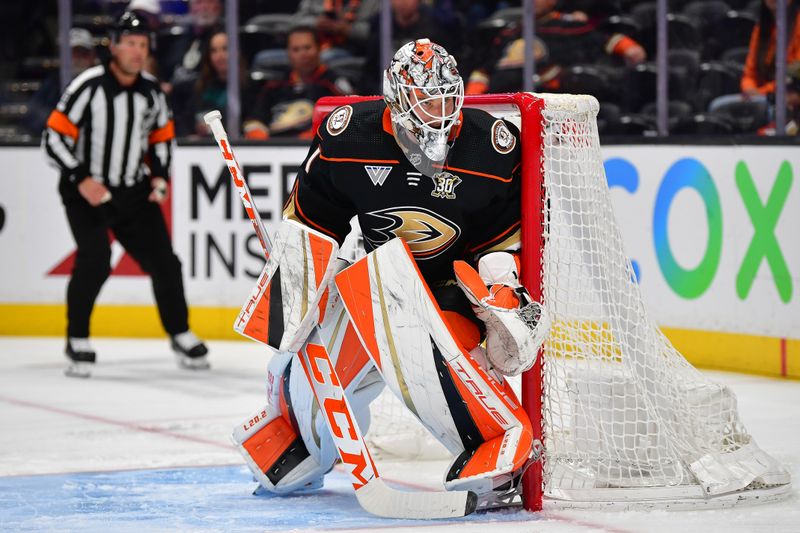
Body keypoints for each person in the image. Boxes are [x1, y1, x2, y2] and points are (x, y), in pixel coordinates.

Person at [233, 39, 548, 508]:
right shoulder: (349, 138)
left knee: (431, 361)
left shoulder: (492, 147)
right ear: (398, 97)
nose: (441, 111)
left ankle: (498, 439)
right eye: (428, 98)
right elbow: (311, 225)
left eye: (448, 96)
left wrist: (501, 290)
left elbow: (502, 239)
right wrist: (297, 285)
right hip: (375, 281)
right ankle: (303, 439)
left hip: (448, 289)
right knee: (312, 370)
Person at [41, 11, 209, 378]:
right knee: (96, 258)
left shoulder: (151, 91)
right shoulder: (88, 86)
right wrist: (81, 177)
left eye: (142, 45)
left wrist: (160, 177)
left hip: (133, 192)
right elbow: (53, 137)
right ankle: (77, 337)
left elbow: (162, 138)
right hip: (85, 193)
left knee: (166, 264)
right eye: (129, 43)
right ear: (114, 46)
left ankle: (180, 332)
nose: (136, 51)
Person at [466, 0, 646, 94]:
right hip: (503, 103)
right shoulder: (510, 33)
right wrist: (471, 102)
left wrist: (629, 48)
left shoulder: (567, 27)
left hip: (547, 104)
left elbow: (605, 40)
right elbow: (483, 71)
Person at [243, 26, 353, 139]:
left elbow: (351, 116)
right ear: (288, 53)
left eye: (307, 48)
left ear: (319, 49)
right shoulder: (274, 85)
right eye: (296, 49)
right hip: (274, 147)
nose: (302, 54)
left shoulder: (333, 83)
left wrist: (318, 134)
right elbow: (254, 119)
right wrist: (256, 131)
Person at [710, 0, 800, 112]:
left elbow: (794, 76)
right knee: (718, 105)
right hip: (758, 96)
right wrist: (749, 89)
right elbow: (749, 73)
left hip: (787, 96)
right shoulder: (760, 29)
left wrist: (761, 92)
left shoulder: (798, 26)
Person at [361, 0, 465, 95]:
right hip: (383, 91)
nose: (402, 3)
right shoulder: (380, 26)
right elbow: (370, 69)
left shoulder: (435, 27)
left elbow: (447, 67)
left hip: (426, 95)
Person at [172, 30, 251, 137]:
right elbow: (186, 121)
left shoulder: (249, 86)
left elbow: (249, 124)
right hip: (201, 148)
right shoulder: (200, 86)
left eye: (225, 49)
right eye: (214, 51)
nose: (220, 56)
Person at [22, 28, 98, 136]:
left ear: (92, 56)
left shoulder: (102, 84)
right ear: (61, 56)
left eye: (83, 53)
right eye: (71, 53)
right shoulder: (53, 85)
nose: (77, 58)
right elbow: (32, 120)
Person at [159, 0, 223, 93]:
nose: (204, 7)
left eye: (209, 2)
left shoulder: (226, 39)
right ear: (191, 8)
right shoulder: (178, 39)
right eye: (199, 2)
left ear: (218, 7)